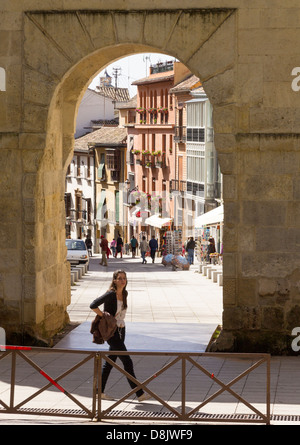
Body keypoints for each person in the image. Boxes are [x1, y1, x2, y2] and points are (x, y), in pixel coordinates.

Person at [89, 270, 151, 402]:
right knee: (127, 362)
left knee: (110, 363)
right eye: (120, 278)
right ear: (115, 280)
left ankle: (99, 392)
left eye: (124, 278)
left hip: (121, 330)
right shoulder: (110, 294)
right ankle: (139, 394)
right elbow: (93, 305)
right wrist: (104, 316)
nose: (123, 280)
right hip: (112, 332)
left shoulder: (124, 293)